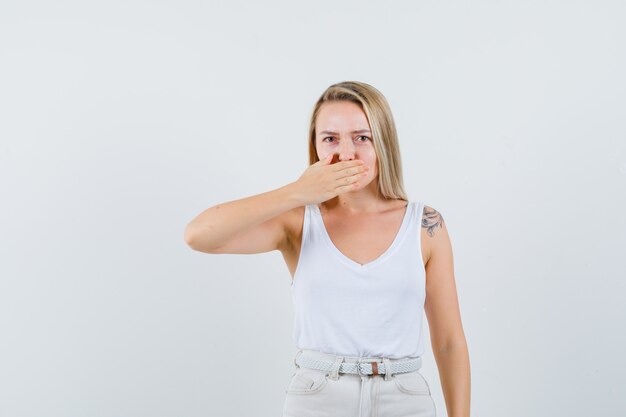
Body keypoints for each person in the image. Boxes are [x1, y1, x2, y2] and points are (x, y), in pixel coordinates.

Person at [184, 81, 471, 417]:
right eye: (330, 138)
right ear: (315, 147)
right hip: (318, 396)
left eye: (362, 137)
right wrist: (297, 191)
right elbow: (199, 235)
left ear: (383, 143)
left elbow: (449, 342)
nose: (346, 153)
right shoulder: (297, 223)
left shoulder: (425, 225)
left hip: (404, 397)